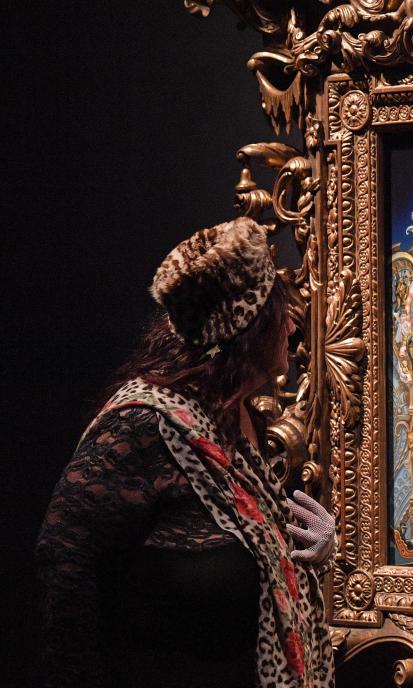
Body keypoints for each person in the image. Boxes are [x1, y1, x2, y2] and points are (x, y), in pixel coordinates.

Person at [36, 218, 337, 688]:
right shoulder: (144, 425)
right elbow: (65, 564)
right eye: (278, 308)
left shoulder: (235, 418)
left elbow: (248, 553)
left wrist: (302, 548)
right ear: (247, 327)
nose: (294, 321)